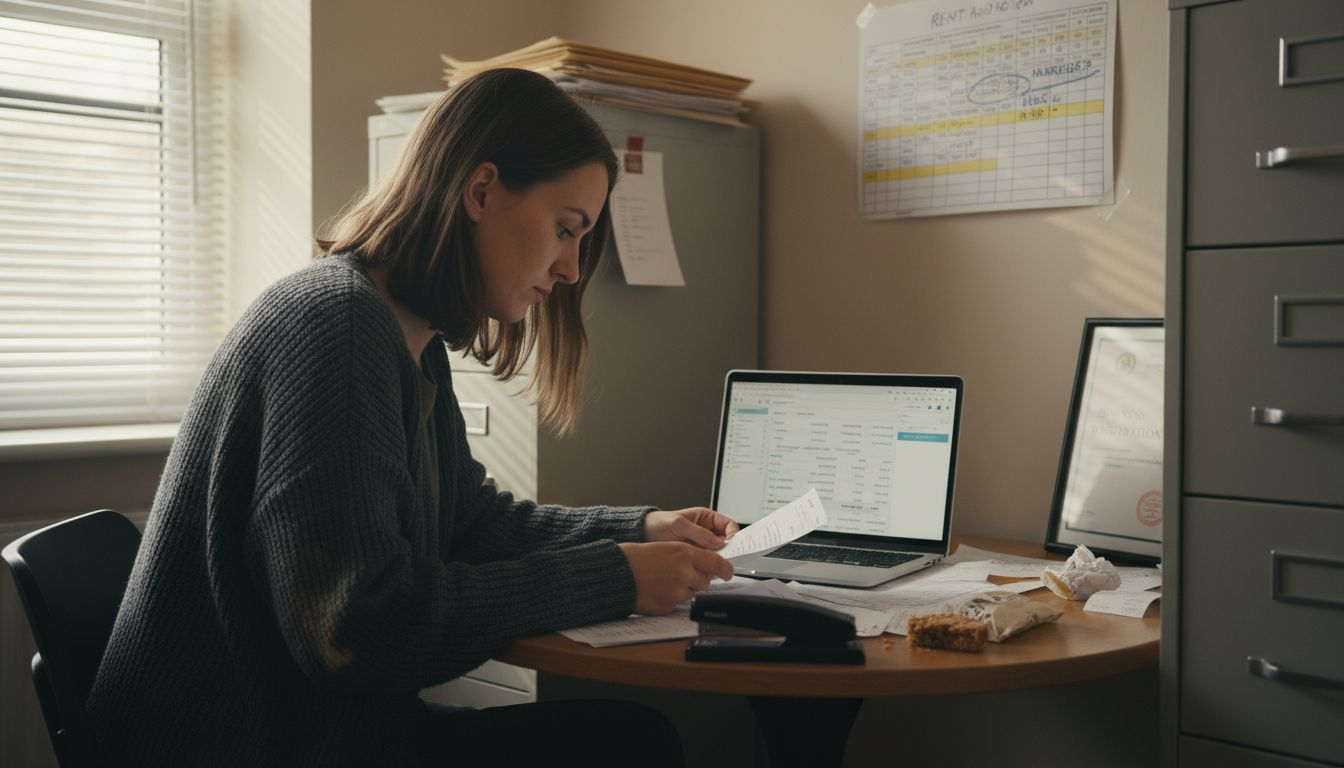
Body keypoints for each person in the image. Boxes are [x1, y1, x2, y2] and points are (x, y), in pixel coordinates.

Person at [88, 68, 739, 767]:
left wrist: (640, 530)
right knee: (631, 744)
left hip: (326, 734)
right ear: (481, 191)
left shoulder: (408, 335)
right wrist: (614, 576)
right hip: (259, 746)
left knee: (628, 738)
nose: (572, 269)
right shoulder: (338, 328)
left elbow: (468, 523)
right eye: (564, 228)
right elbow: (360, 629)